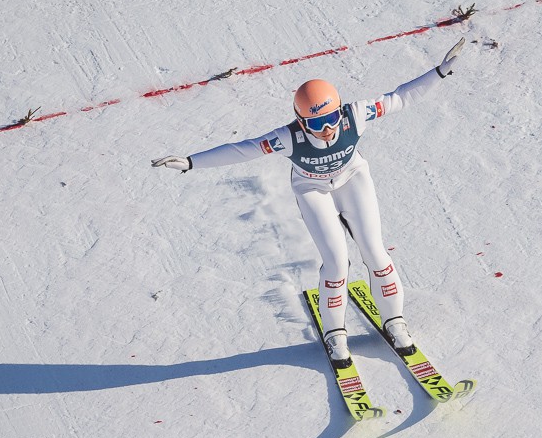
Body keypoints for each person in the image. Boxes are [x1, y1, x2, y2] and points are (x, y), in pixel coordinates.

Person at [152, 38, 466, 368]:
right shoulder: (288, 137)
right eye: (316, 124)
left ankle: (395, 321)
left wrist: (439, 72)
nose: (327, 129)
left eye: (331, 119)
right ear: (301, 122)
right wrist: (192, 162)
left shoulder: (356, 115)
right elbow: (243, 149)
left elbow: (399, 97)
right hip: (312, 189)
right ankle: (335, 333)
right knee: (336, 263)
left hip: (352, 178)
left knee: (375, 252)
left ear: (340, 110)